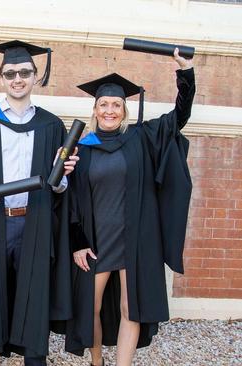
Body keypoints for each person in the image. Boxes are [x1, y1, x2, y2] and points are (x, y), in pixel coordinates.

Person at [65, 49, 194, 366]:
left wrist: (186, 72)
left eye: (116, 105)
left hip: (136, 238)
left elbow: (180, 116)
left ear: (124, 109)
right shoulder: (81, 147)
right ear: (95, 109)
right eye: (104, 104)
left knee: (129, 307)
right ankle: (97, 361)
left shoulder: (142, 137)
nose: (110, 110)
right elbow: (71, 199)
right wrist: (78, 242)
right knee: (89, 308)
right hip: (97, 240)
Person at [0, 40, 78, 366]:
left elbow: (59, 189)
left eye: (25, 72)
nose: (18, 79)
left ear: (35, 77)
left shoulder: (51, 125)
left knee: (33, 298)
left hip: (35, 221)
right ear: (1, 77)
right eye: (11, 73)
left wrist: (64, 175)